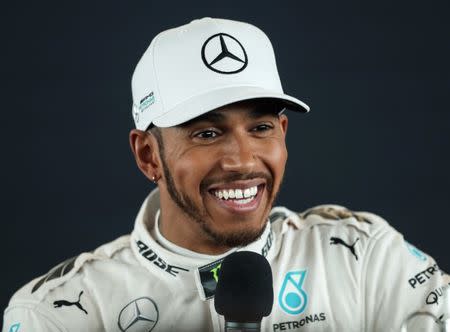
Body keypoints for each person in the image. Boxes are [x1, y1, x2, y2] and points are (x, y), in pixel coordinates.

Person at [3, 17, 449, 332]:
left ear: (284, 134)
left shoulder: (366, 259)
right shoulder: (60, 314)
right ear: (148, 156)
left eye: (260, 128)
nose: (241, 159)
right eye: (206, 132)